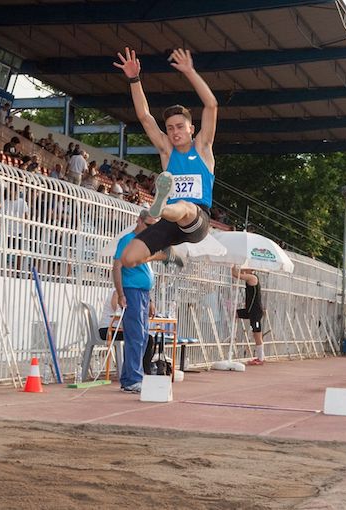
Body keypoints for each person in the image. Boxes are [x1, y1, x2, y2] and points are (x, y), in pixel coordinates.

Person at [113, 47, 217, 268]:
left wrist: (190, 72)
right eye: (170, 128)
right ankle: (167, 254)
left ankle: (160, 207)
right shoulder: (166, 151)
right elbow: (144, 116)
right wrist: (134, 79)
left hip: (197, 220)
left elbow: (211, 105)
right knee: (128, 259)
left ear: (192, 129)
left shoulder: (203, 148)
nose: (175, 132)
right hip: (170, 222)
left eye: (180, 127)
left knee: (185, 205)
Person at [112, 210, 164, 393]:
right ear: (139, 221)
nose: (150, 229)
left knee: (141, 336)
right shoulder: (128, 240)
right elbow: (117, 266)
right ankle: (134, 378)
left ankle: (129, 378)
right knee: (135, 335)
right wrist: (120, 294)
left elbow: (144, 270)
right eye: (148, 225)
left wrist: (149, 299)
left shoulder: (143, 243)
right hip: (132, 291)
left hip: (141, 292)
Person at [231, 266, 265, 365]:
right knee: (234, 313)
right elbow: (239, 274)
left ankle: (260, 358)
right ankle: (232, 335)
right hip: (249, 310)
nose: (244, 270)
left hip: (255, 311)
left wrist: (233, 266)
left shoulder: (252, 278)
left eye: (246, 269)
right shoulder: (249, 277)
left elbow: (236, 275)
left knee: (257, 334)